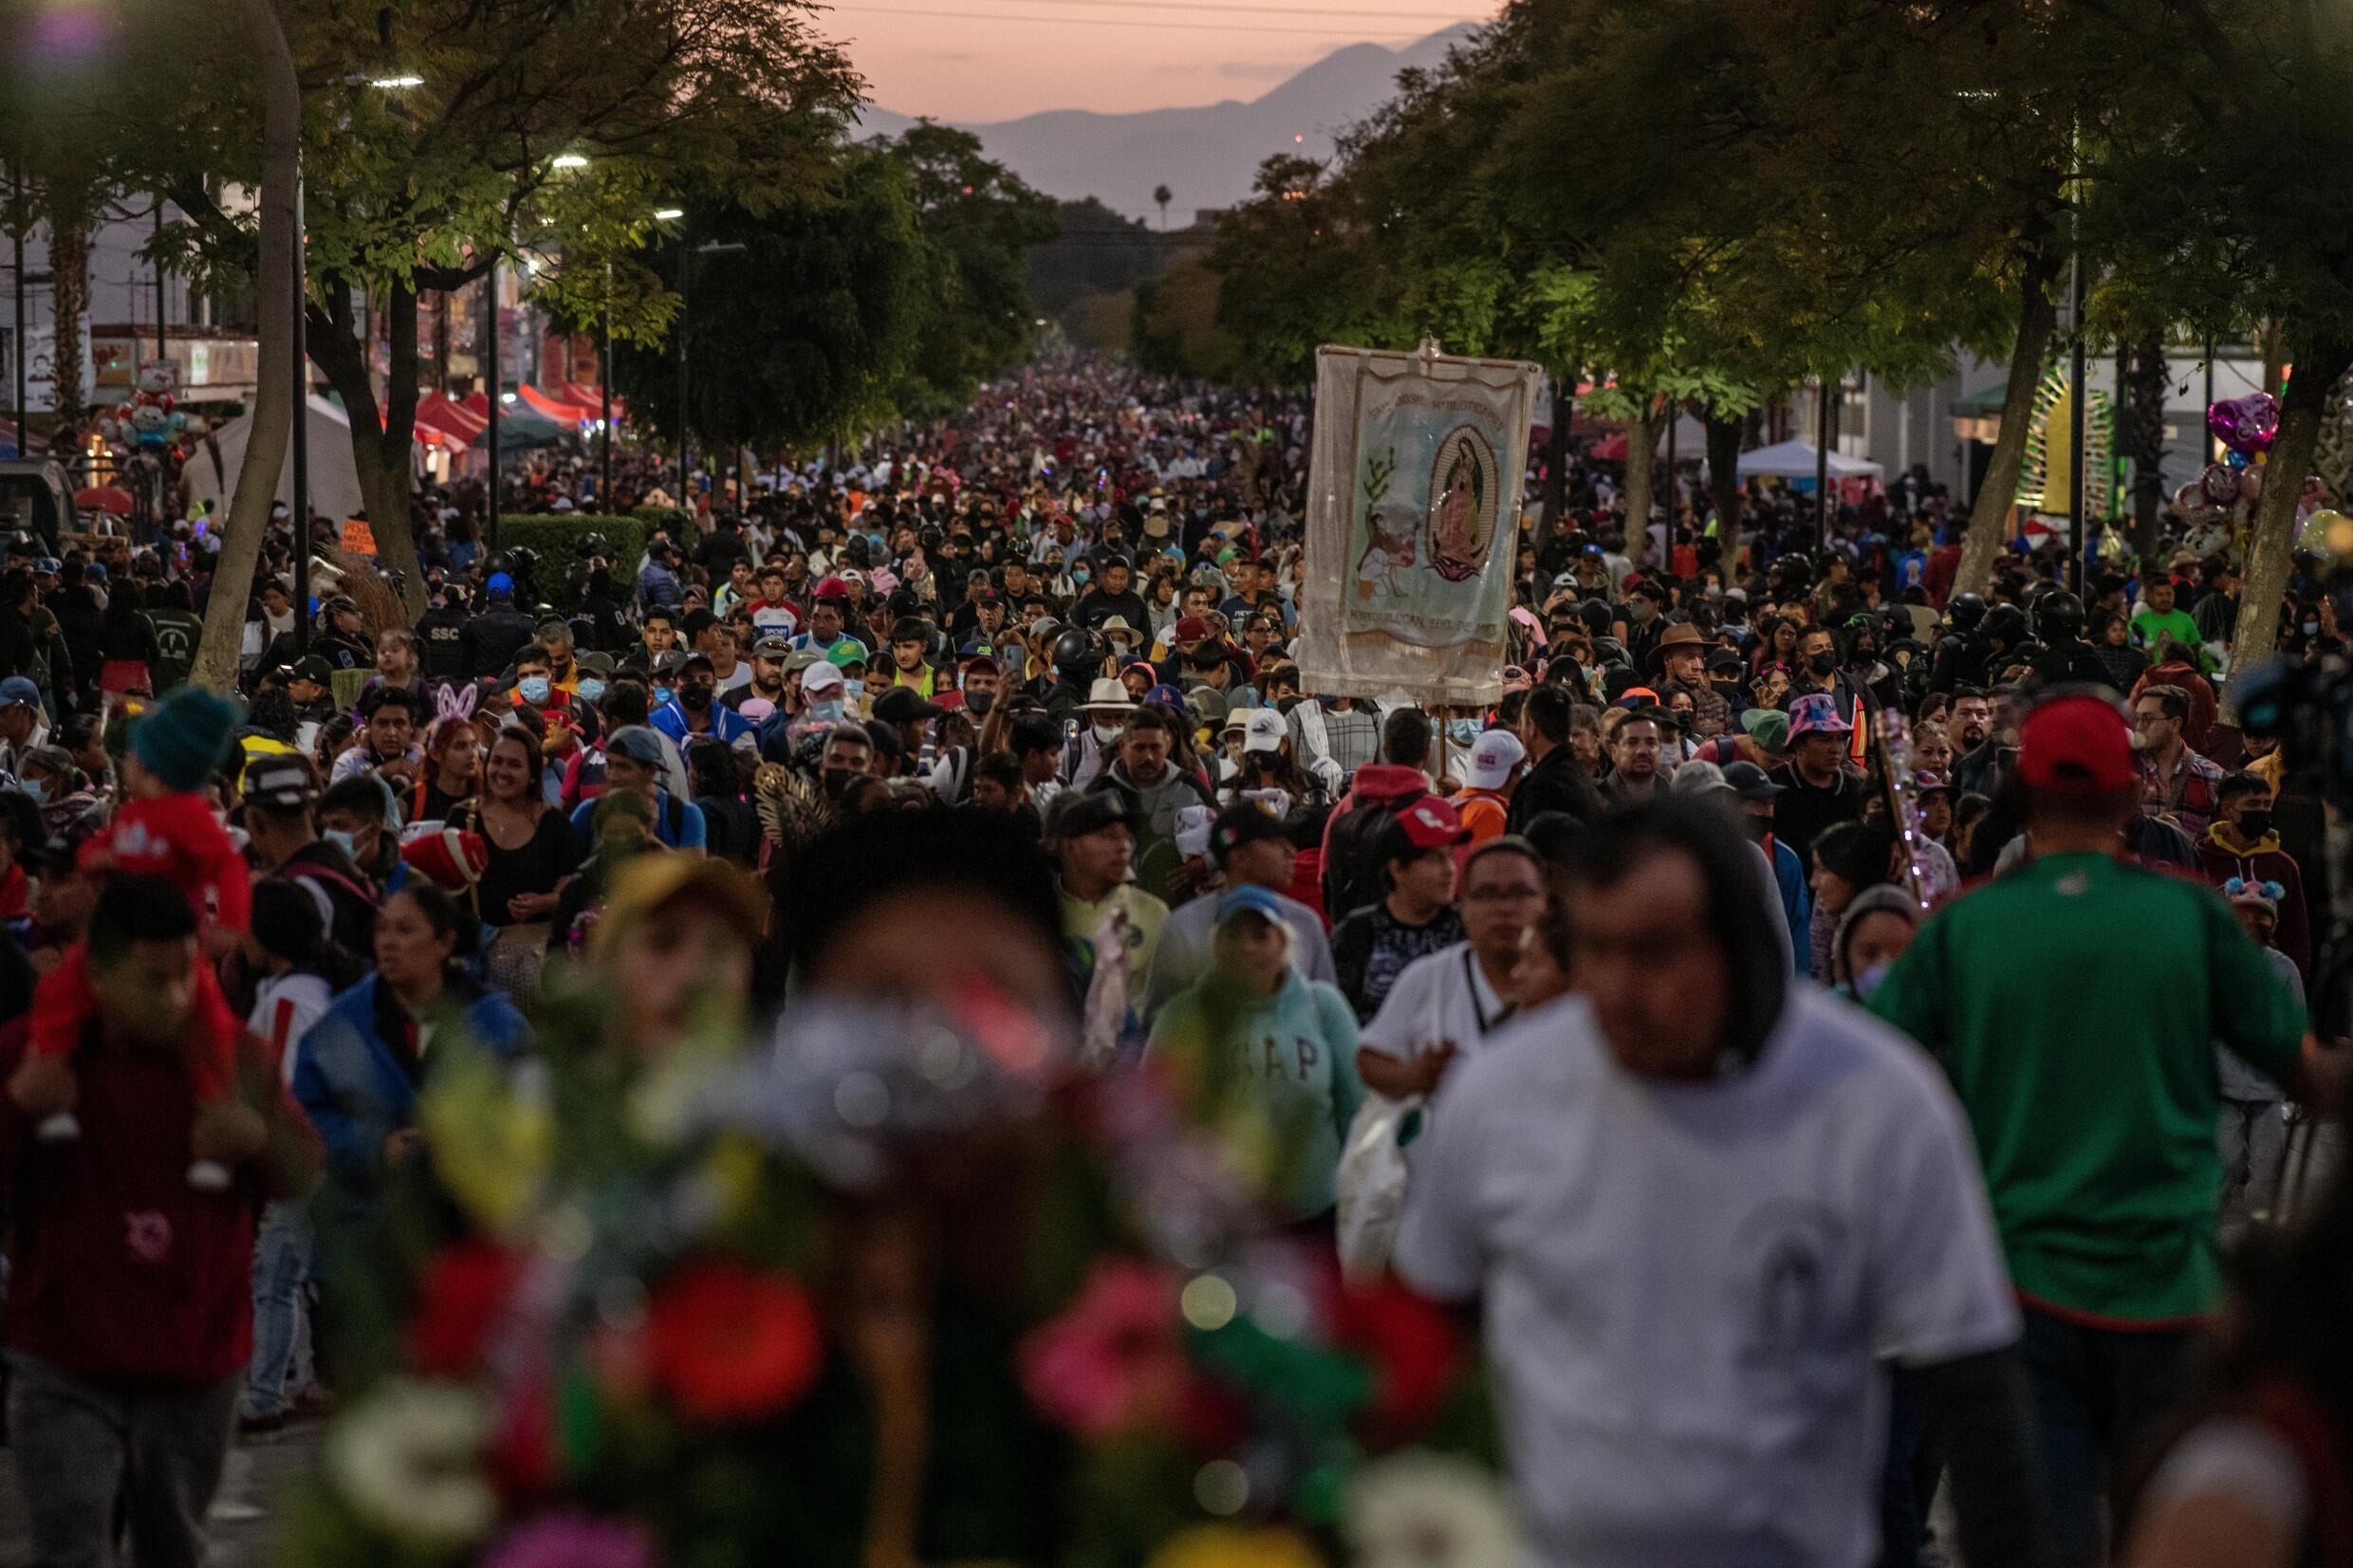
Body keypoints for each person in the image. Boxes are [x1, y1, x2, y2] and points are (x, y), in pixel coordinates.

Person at [1395, 800, 2047, 1568]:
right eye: (1597, 949)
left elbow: (1975, 1386)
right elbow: (1419, 1344)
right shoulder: (1501, 1094)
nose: (1617, 989)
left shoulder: (1878, 1103)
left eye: (1655, 952)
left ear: (1739, 945)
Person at [1869, 693, 2333, 1568]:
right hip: (2170, 1293)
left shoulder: (1968, 924)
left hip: (2015, 1300)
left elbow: (1866, 1076)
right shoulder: (2192, 913)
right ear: (2131, 798)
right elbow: (2305, 1072)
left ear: (2022, 794)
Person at [0, 877, 318, 1568]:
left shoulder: (235, 1056)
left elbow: (303, 1170)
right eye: (153, 979)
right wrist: (20, 1107)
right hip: (66, 1353)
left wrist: (256, 1141)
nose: (174, 997)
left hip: (194, 1354)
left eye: (187, 976)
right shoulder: (33, 1051)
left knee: (174, 1545)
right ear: (100, 970)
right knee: (69, 1544)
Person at [10, 687, 249, 1178]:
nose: (127, 765)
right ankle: (53, 1091)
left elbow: (227, 867)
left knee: (209, 1027)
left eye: (135, 757)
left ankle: (213, 1125)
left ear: (155, 764)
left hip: (172, 943)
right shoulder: (133, 816)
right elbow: (101, 853)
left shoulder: (188, 816)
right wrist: (96, 862)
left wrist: (231, 927)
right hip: (115, 938)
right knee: (60, 994)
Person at [293, 884, 531, 1235]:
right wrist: (375, 1146)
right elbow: (306, 1114)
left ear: (445, 943)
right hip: (368, 1239)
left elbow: (532, 1118)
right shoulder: (344, 1023)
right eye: (382, 929)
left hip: (469, 1233)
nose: (387, 942)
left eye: (405, 930)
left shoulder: (497, 1026)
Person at [1144, 883, 1363, 1222]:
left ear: (1283, 943)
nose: (1247, 948)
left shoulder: (1323, 1007)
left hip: (1317, 1216)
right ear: (1217, 947)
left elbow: (1358, 1110)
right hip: (1221, 1222)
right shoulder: (1182, 1018)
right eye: (1234, 937)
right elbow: (1154, 1120)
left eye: (1261, 936)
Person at [238, 878, 359, 1434]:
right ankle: (294, 1380)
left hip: (297, 1158)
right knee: (293, 1277)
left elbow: (286, 1085)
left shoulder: (288, 1000)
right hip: (323, 1154)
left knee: (275, 1280)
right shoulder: (315, 991)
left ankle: (264, 1395)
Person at [1356, 835, 1543, 1099]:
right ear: (1463, 906)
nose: (1505, 907)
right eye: (1487, 894)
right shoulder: (1428, 978)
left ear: (1545, 902)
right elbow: (1369, 1058)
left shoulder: (1574, 984)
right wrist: (1413, 1077)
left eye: (1520, 892)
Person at [1141, 801, 1335, 1018]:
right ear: (1240, 858)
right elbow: (1159, 1022)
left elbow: (1327, 1016)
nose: (1290, 852)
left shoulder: (1305, 923)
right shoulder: (1184, 929)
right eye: (1275, 842)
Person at [1331, 799, 1470, 1024]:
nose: (1450, 870)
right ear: (1397, 868)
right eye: (1436, 859)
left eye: (1450, 857)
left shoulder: (1467, 929)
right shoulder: (1357, 933)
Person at [2196, 772, 2310, 978]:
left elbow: (2296, 935)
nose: (2262, 811)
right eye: (2253, 804)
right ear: (2228, 810)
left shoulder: (2283, 865)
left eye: (2267, 805)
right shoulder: (2201, 858)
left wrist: (2296, 978)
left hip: (2270, 978)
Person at [570, 726, 705, 857]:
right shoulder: (589, 812)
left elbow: (696, 875)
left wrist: (647, 839)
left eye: (624, 767)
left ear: (650, 770)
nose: (612, 775)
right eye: (609, 764)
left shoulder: (683, 814)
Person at [1769, 692, 1866, 867]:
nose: (1835, 749)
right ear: (1799, 744)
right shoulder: (1774, 788)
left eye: (1840, 739)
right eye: (1824, 740)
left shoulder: (1855, 790)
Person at [2135, 683, 2224, 840]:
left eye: (2147, 719)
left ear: (2175, 724)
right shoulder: (2127, 770)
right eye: (2138, 718)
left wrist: (2185, 839)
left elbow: (2224, 846)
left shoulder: (2211, 776)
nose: (2139, 726)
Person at [1510, 681, 1601, 832]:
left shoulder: (1542, 788)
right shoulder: (1579, 775)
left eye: (1522, 723)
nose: (1520, 730)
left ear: (1532, 727)